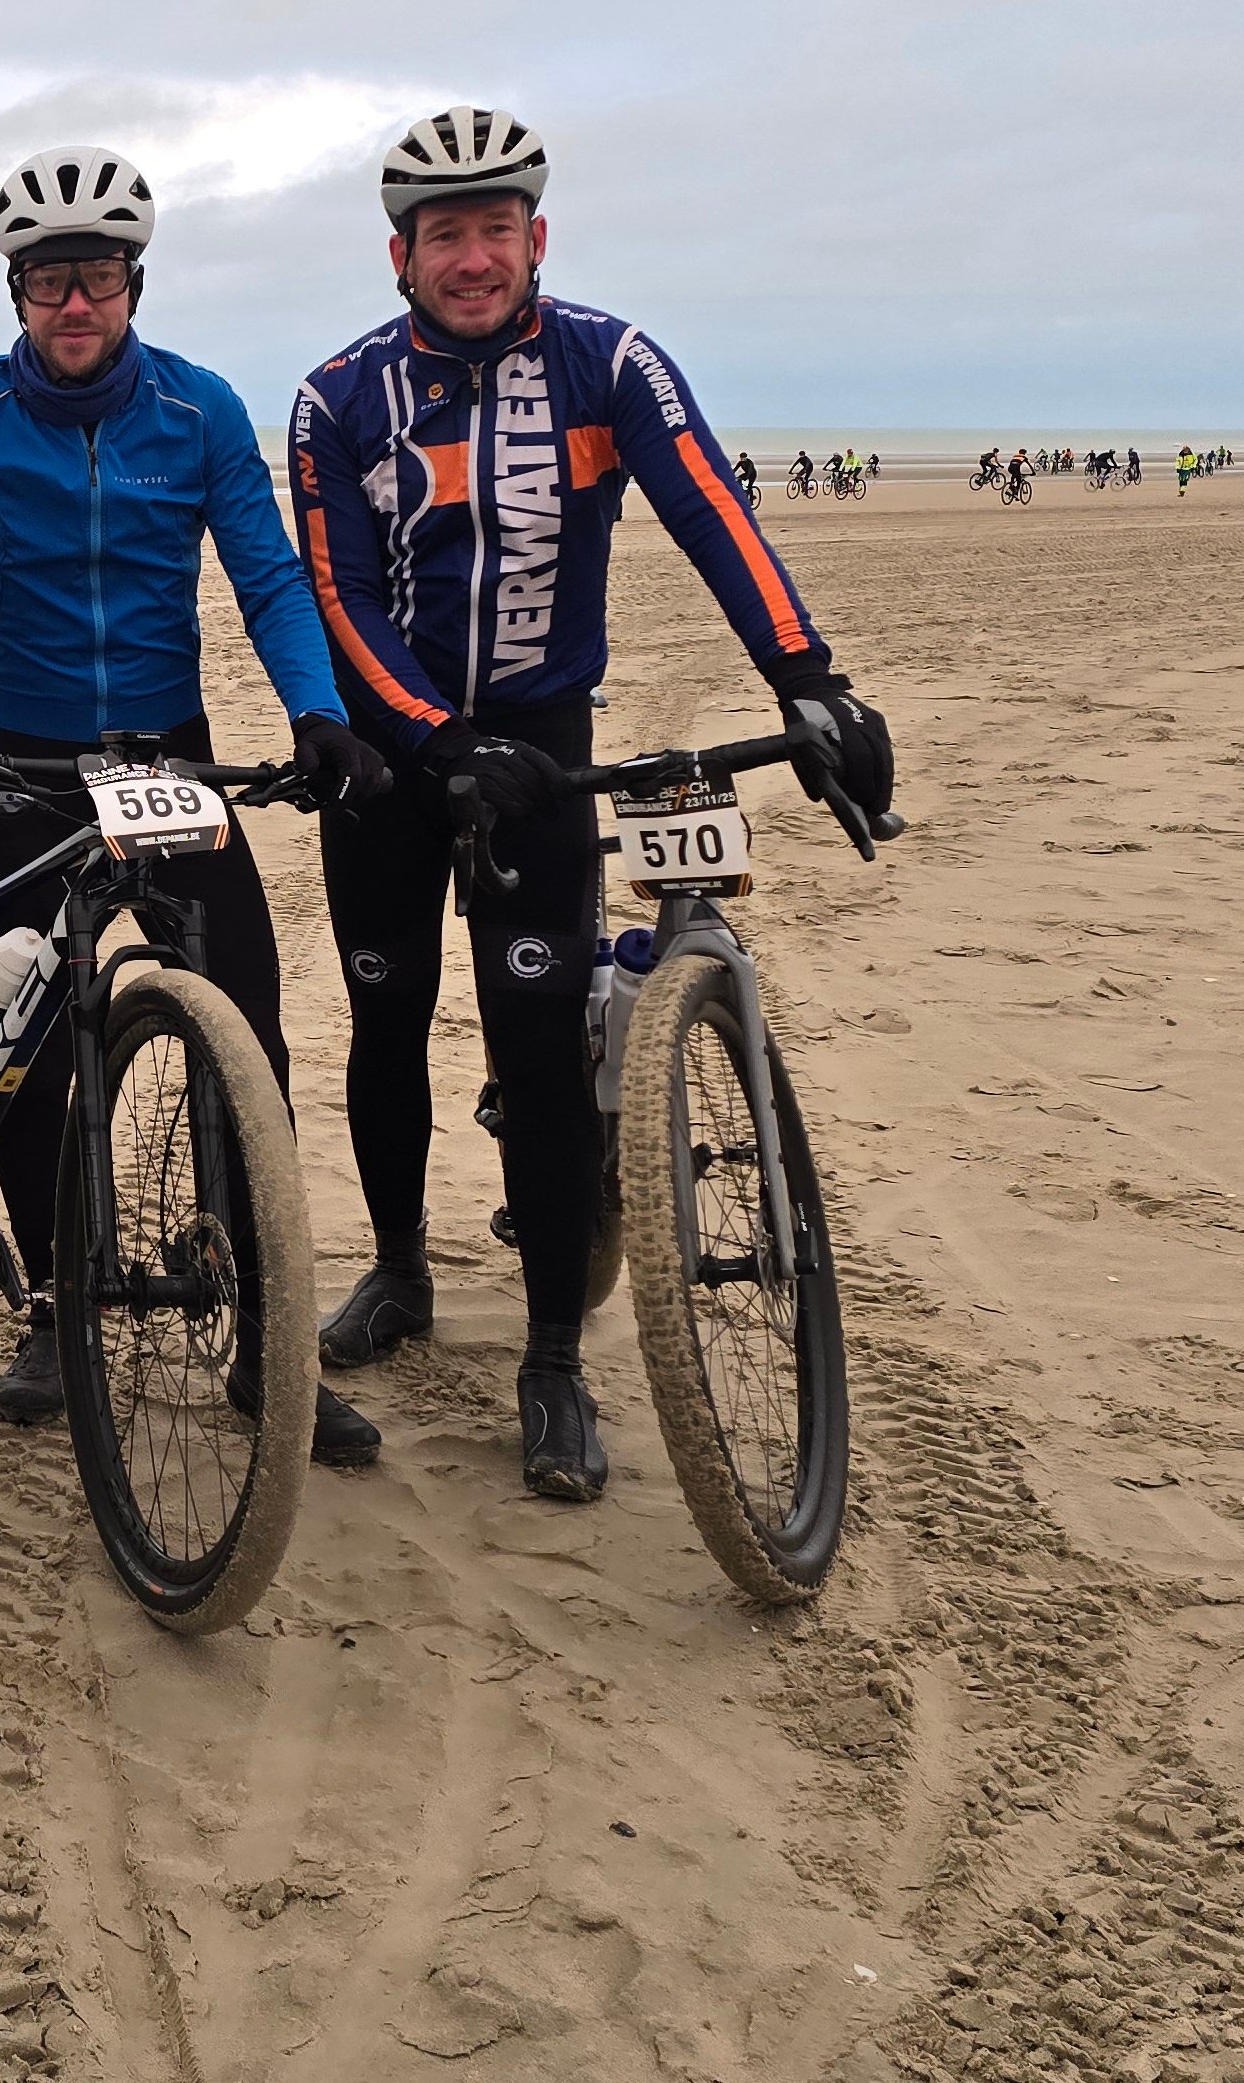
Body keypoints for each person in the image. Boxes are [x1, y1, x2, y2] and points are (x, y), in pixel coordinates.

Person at [289, 107, 893, 1503]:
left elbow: (709, 510)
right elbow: (337, 597)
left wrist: (808, 678)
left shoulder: (609, 362)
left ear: (538, 238)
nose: (473, 257)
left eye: (496, 230)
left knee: (541, 1048)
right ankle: (398, 1268)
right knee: (386, 1022)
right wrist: (433, 739)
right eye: (446, 234)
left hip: (543, 754)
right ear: (400, 256)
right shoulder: (337, 397)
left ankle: (554, 1357)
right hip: (392, 757)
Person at [0, 147, 392, 1470]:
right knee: (27, 1055)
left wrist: (317, 712)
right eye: (47, 281)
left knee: (246, 1042)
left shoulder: (198, 411)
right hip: (22, 773)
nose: (73, 303)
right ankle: (54, 1304)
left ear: (134, 282)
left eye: (95, 276)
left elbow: (268, 579)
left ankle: (267, 1343)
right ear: (15, 292)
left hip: (171, 765)